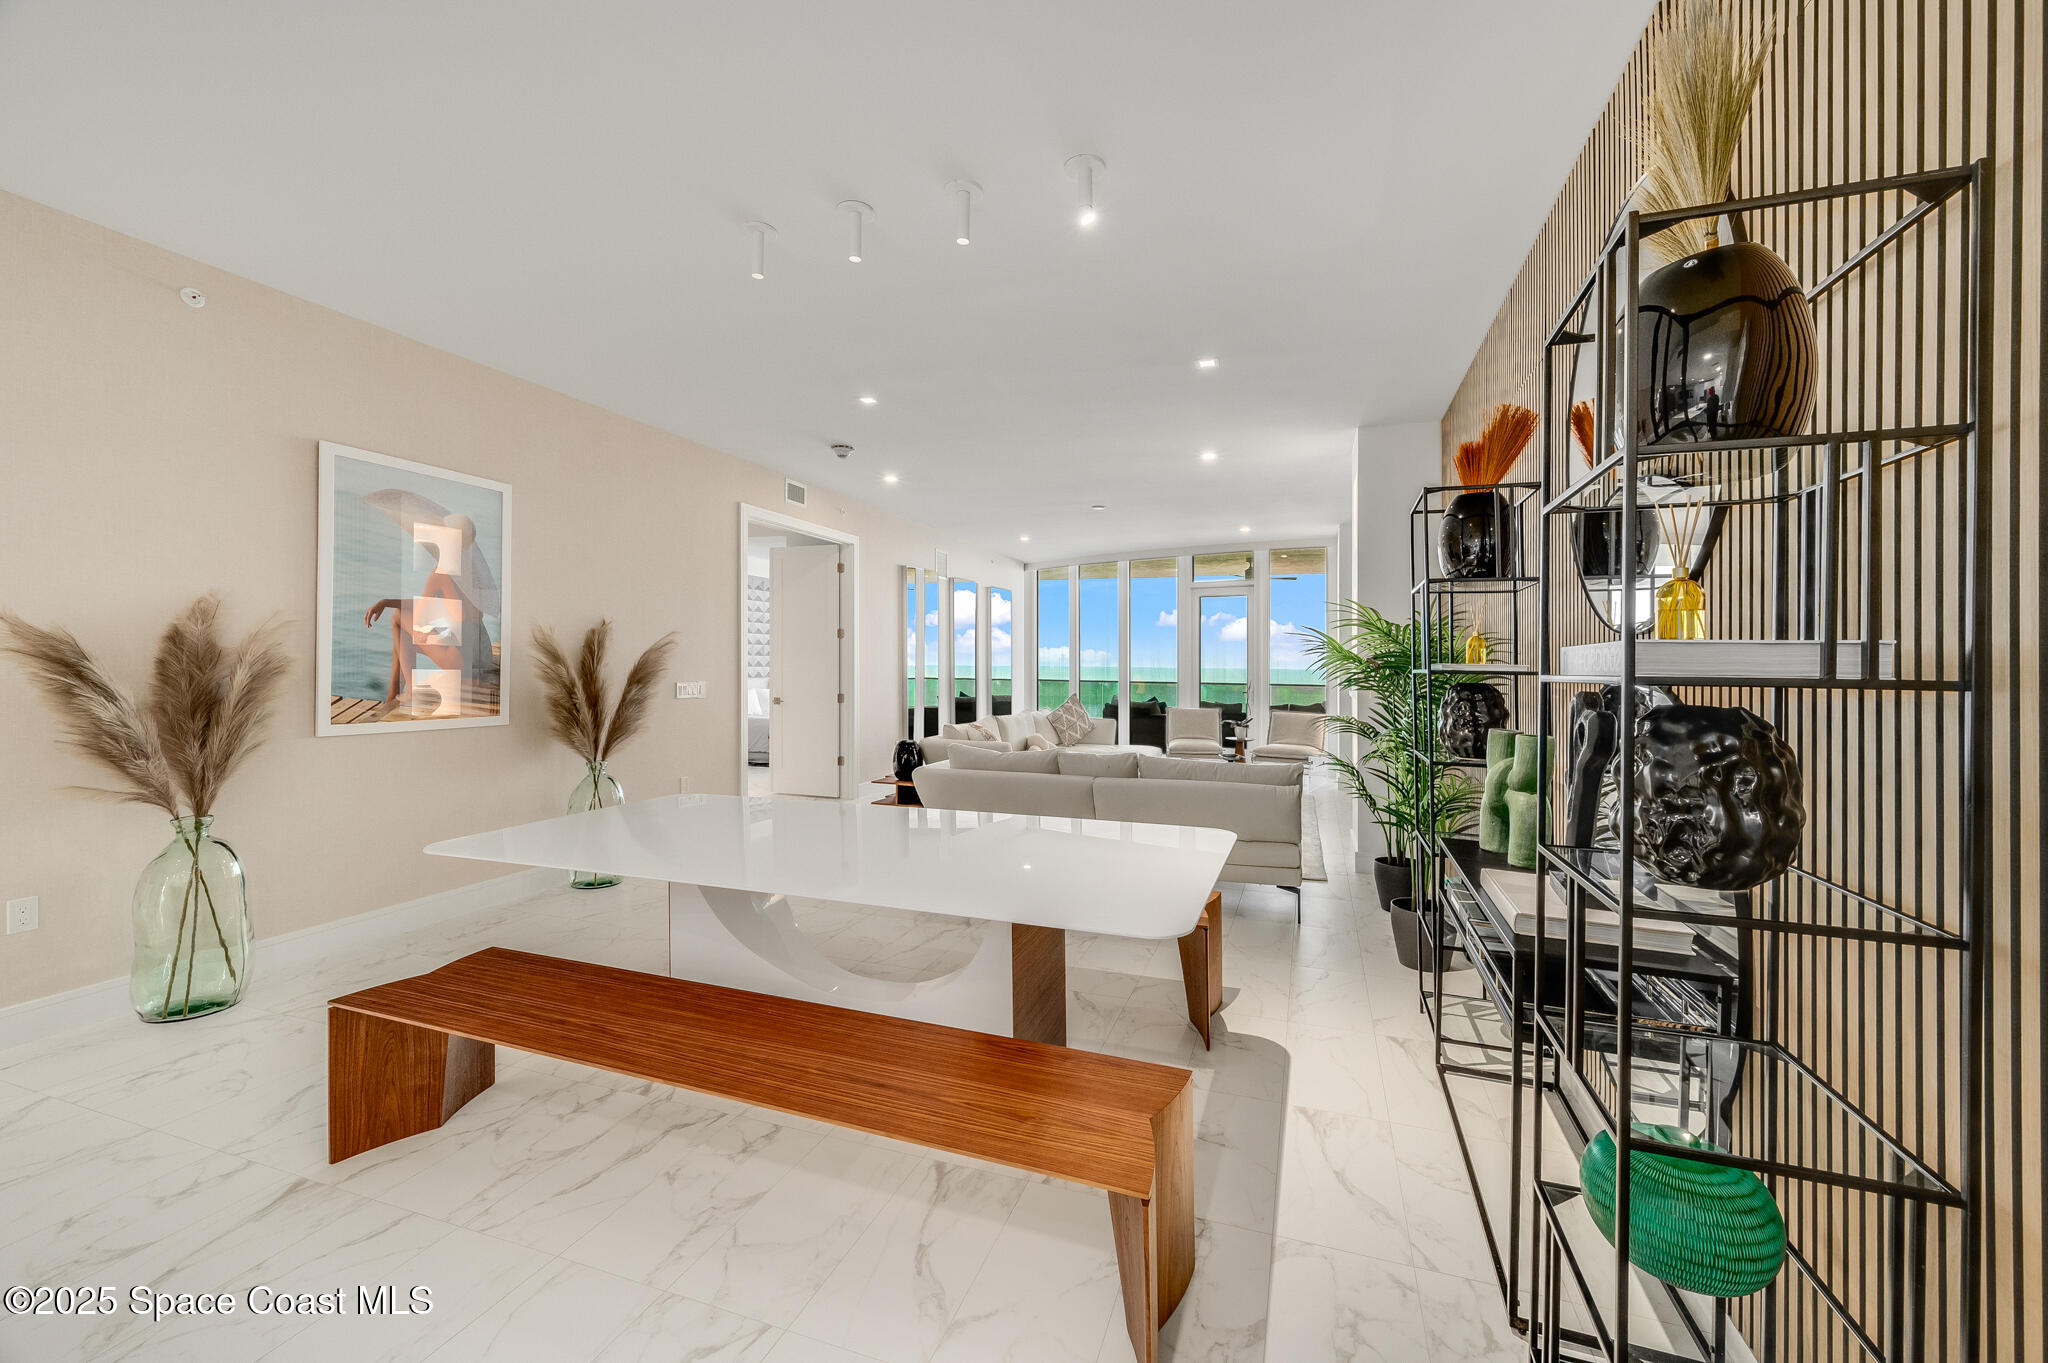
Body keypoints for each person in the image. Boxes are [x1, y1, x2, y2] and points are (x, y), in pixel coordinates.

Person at [361, 510, 499, 711]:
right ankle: (393, 694)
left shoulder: (440, 573)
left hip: (462, 662)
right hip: (482, 655)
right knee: (404, 636)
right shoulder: (475, 569)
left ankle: (407, 692)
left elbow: (422, 612)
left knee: (398, 618)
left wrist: (387, 602)